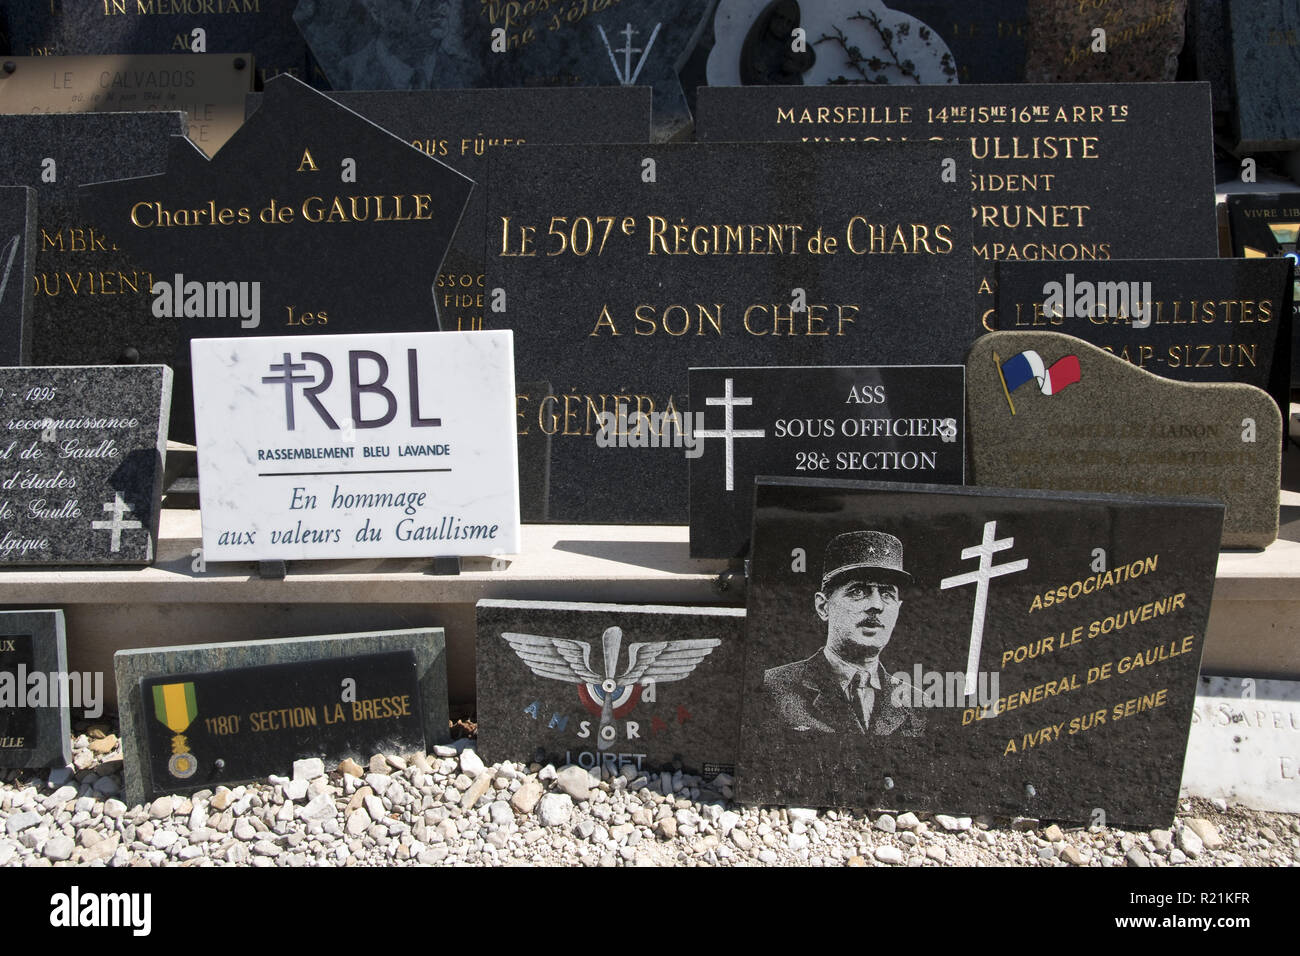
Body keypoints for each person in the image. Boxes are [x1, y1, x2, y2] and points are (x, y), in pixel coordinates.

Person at [763, 530, 925, 735]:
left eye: (887, 594)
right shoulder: (772, 687)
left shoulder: (917, 703)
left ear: (898, 608)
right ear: (823, 606)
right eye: (858, 591)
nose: (876, 605)